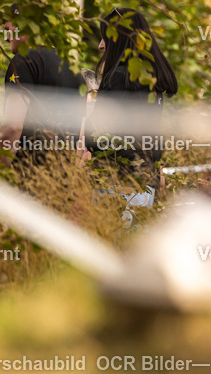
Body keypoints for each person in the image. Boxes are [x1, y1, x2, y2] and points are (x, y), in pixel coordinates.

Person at [83, 8, 178, 221]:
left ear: (119, 39)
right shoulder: (151, 81)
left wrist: (90, 108)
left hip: (115, 184)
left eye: (105, 37)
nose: (100, 45)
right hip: (145, 183)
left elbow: (96, 137)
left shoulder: (118, 79)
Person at [0, 3, 86, 168]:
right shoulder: (73, 68)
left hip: (27, 175)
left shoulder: (23, 61)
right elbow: (80, 138)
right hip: (61, 180)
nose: (7, 37)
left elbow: (12, 126)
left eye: (8, 29)